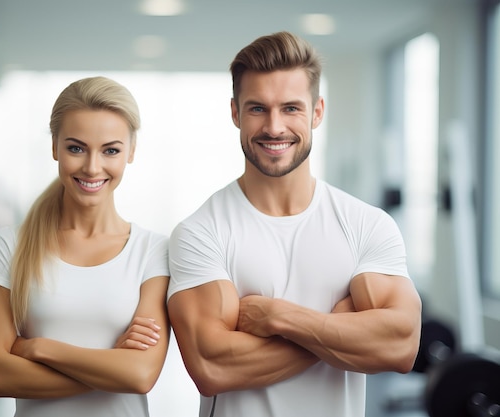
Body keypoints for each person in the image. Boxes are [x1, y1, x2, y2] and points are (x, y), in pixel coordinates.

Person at [167, 31, 422, 417]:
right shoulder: (201, 232)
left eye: (290, 108)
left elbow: (401, 346)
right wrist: (340, 329)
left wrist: (278, 318)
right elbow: (212, 366)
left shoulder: (367, 225)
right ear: (235, 112)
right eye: (257, 109)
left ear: (317, 112)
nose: (274, 127)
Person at [0, 76, 170, 417]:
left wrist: (39, 348)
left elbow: (140, 374)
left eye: (111, 150)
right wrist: (111, 366)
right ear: (54, 146)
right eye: (76, 148)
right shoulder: (10, 245)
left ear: (131, 151)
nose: (92, 167)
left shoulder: (153, 251)